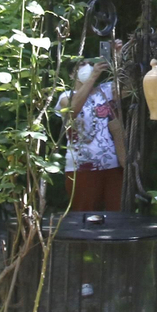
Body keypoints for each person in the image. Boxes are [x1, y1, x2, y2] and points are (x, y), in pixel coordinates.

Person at [57, 42, 126, 211]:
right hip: (81, 168)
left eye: (90, 63)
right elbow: (71, 111)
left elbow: (128, 89)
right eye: (82, 64)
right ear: (72, 74)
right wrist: (93, 76)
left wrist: (119, 58)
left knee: (116, 216)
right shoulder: (65, 97)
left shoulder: (107, 90)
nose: (88, 67)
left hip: (113, 166)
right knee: (83, 217)